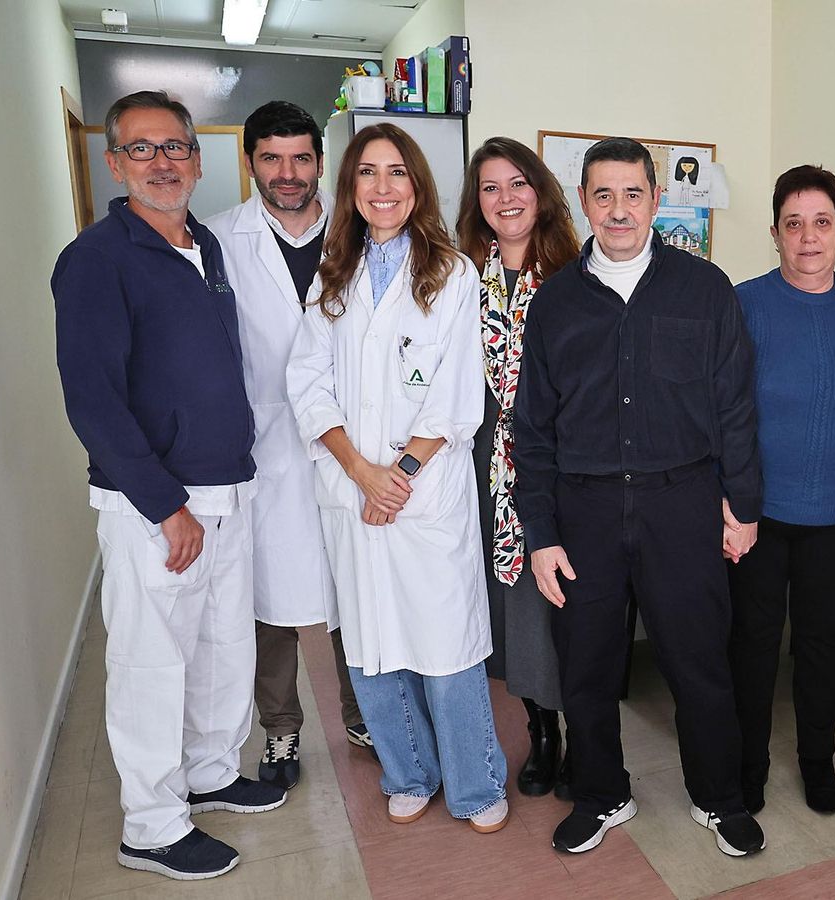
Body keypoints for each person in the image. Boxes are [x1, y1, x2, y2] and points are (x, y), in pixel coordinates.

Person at [53, 90, 286, 881]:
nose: (162, 163)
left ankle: (212, 772)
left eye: (175, 148)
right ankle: (151, 825)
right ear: (114, 162)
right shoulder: (96, 260)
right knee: (154, 663)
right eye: (142, 149)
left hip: (228, 489)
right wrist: (166, 506)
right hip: (158, 505)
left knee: (223, 645)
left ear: (197, 156)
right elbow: (93, 402)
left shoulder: (206, 246)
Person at [514, 137, 766, 857]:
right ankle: (601, 793)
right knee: (587, 667)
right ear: (583, 202)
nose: (618, 210)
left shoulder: (705, 289)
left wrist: (742, 507)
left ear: (657, 199)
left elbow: (736, 408)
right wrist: (542, 533)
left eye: (632, 194)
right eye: (603, 194)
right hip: (584, 510)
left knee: (698, 662)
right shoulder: (556, 302)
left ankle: (719, 798)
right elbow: (530, 429)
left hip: (682, 503)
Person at [285, 123, 509, 833]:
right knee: (371, 645)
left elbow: (454, 395)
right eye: (368, 174)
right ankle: (408, 773)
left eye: (397, 173)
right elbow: (306, 380)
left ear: (417, 186)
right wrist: (361, 472)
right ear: (350, 188)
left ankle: (476, 786)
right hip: (356, 489)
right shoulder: (334, 271)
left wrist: (399, 474)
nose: (383, 188)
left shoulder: (452, 270)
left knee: (446, 646)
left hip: (424, 489)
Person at [204, 100, 367, 793]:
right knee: (269, 600)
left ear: (321, 164)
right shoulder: (215, 239)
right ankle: (281, 731)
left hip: (351, 441)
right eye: (271, 158)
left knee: (354, 586)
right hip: (263, 445)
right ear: (249, 164)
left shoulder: (363, 230)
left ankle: (366, 714)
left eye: (302, 158)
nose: (288, 173)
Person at [729, 165, 835, 815]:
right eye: (794, 225)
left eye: (821, 224)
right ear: (775, 234)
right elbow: (719, 411)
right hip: (758, 511)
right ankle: (748, 763)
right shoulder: (744, 304)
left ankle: (817, 760)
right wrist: (730, 504)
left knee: (821, 641)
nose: (808, 238)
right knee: (754, 641)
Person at [454, 137, 582, 798]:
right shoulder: (456, 275)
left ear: (540, 190)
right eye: (491, 188)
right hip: (482, 463)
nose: (506, 199)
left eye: (518, 183)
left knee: (558, 604)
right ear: (477, 203)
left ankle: (582, 734)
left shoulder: (575, 270)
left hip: (558, 462)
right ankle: (541, 733)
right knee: (509, 611)